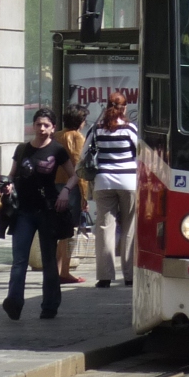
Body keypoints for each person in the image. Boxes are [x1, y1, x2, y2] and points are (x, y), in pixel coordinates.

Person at [3, 108, 76, 321]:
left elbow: (73, 176)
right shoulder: (22, 149)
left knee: (49, 260)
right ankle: (14, 303)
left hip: (48, 210)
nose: (42, 128)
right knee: (19, 260)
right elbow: (12, 175)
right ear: (33, 126)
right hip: (23, 211)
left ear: (53, 128)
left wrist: (65, 191)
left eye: (46, 125)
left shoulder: (57, 150)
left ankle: (50, 306)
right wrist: (8, 187)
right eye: (38, 124)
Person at [90, 92, 139, 288]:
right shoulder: (129, 129)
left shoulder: (96, 129)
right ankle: (129, 276)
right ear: (124, 108)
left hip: (103, 182)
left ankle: (104, 276)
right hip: (128, 182)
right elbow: (140, 154)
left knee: (104, 228)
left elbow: (86, 153)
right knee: (129, 227)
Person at [55, 104, 89, 284]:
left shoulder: (57, 135)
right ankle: (65, 271)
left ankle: (56, 269)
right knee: (69, 231)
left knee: (58, 230)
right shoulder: (77, 137)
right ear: (80, 121)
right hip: (70, 188)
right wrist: (84, 195)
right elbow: (79, 168)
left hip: (54, 185)